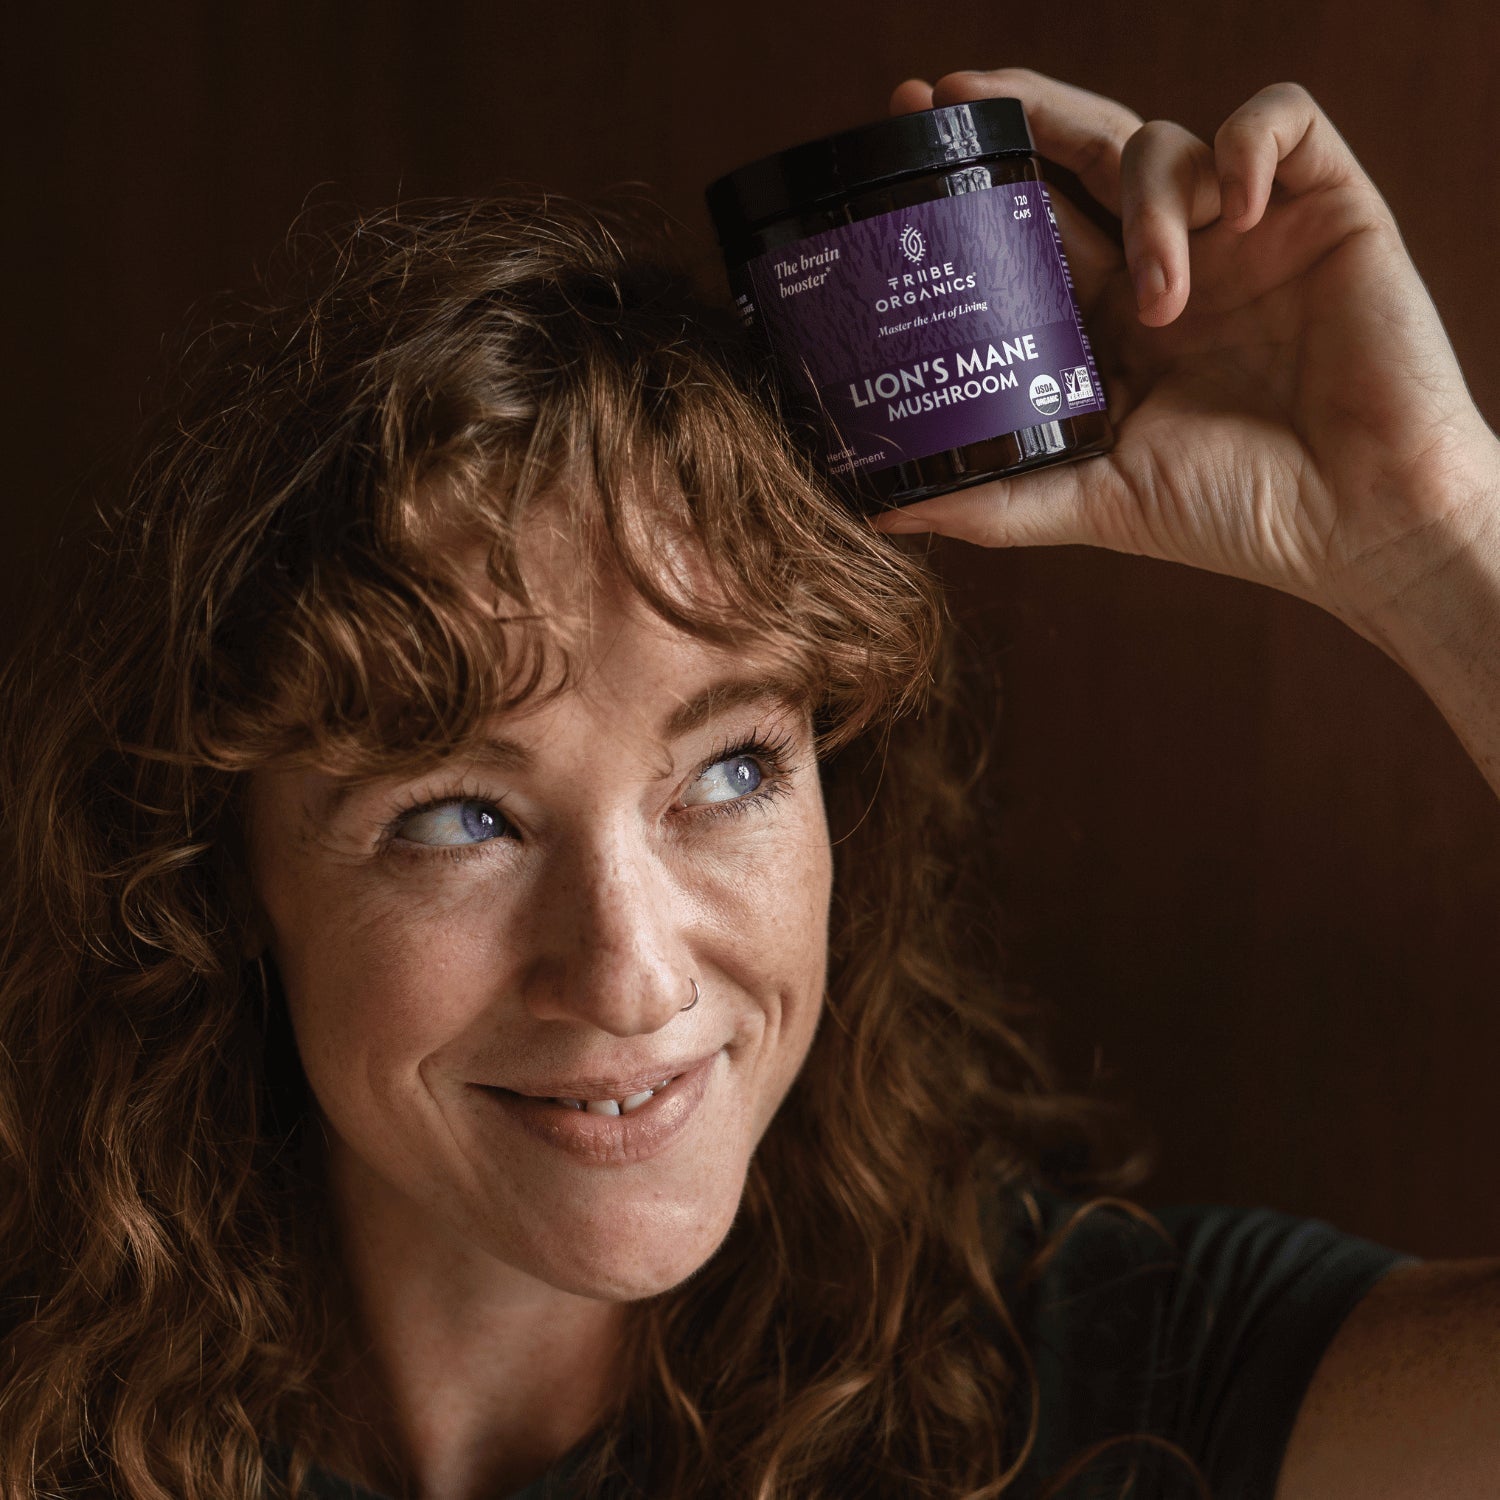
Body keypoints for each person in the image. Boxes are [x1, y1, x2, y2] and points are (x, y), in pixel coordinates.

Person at [0, 64, 1496, 1500]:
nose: (633, 976)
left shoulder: (1111, 1394)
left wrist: (1436, 541)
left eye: (729, 768)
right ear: (225, 877)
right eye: (461, 815)